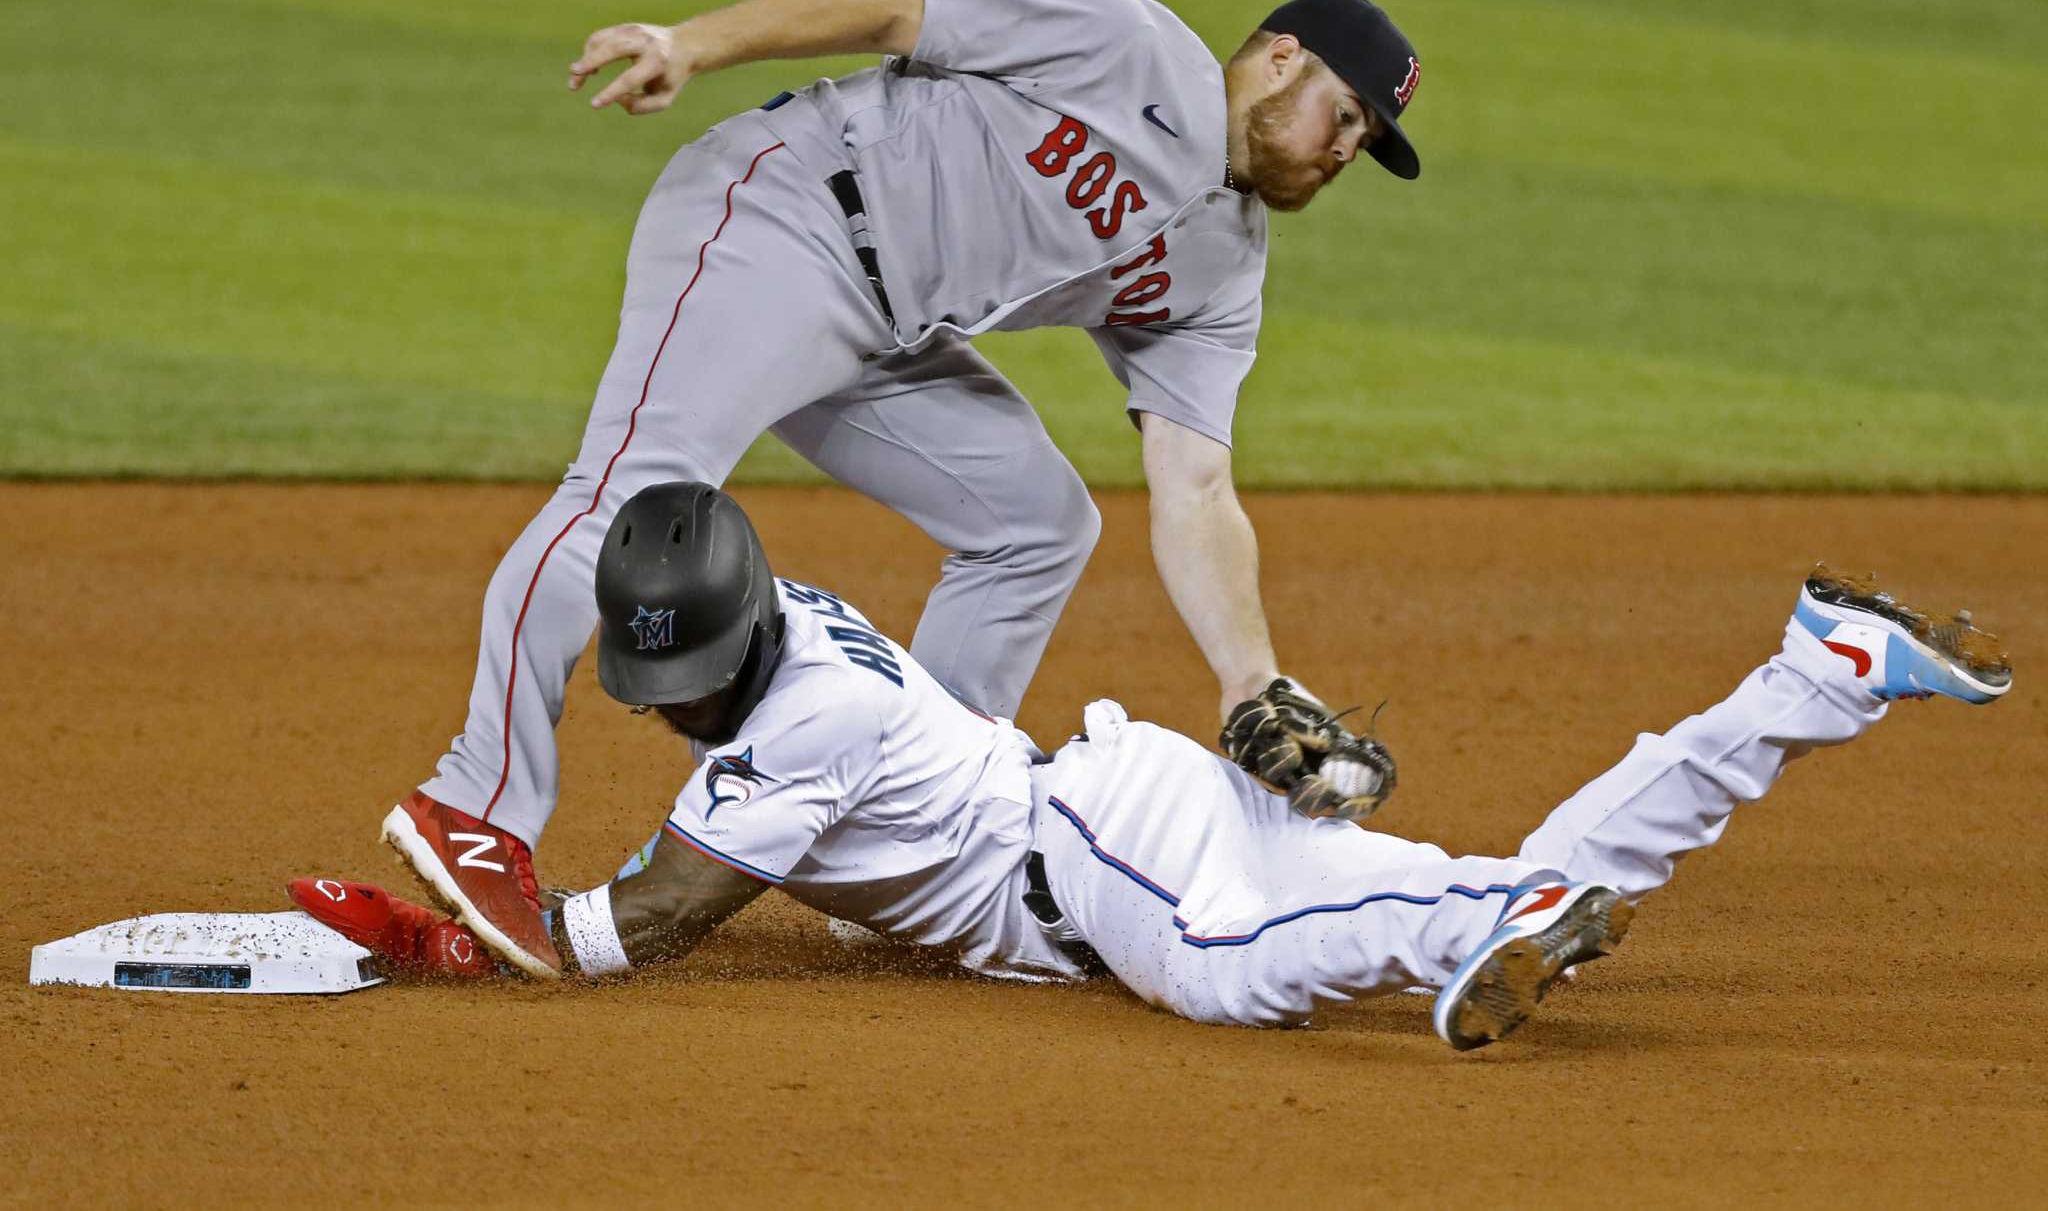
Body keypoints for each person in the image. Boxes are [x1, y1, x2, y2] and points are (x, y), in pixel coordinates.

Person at [381, 0, 1430, 978]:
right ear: (1282, 59)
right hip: (781, 216)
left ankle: (920, 827)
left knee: (1037, 526)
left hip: (886, 335)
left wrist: (1252, 680)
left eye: (1366, 140)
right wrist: (688, 44)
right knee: (629, 492)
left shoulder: (1220, 267)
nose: (1343, 150)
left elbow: (1195, 484)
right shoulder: (1124, 43)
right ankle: (473, 803)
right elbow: (891, 10)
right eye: (1345, 114)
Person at [320, 483, 2011, 1051]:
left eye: (680, 675)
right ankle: (1817, 674)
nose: (670, 703)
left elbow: (663, 913)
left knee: (1217, 978)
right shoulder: (799, 622)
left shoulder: (799, 718)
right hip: (1133, 810)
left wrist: (500, 938)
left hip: (1110, 859)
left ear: (731, 638)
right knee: (1483, 883)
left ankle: (1487, 929)